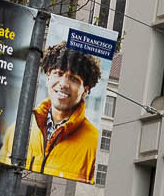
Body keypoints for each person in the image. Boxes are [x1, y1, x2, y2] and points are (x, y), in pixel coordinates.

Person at [15, 40, 102, 183]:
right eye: (59, 73)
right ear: (48, 76)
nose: (63, 84)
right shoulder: (21, 128)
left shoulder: (93, 144)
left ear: (85, 90)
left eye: (74, 79)